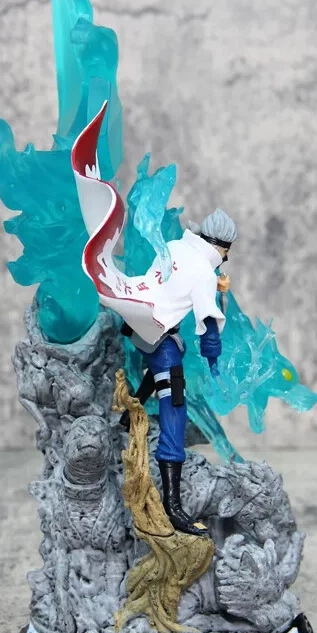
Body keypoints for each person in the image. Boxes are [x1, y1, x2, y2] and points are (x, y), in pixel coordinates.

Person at [70, 102, 237, 536]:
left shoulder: (180, 247)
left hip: (141, 321)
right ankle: (174, 505)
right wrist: (215, 361)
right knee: (175, 405)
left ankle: (128, 418)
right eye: (225, 253)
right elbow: (209, 327)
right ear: (221, 248)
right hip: (155, 333)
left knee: (162, 358)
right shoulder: (204, 272)